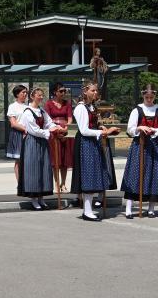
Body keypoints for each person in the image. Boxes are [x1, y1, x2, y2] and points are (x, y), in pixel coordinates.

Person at [71, 81, 119, 221]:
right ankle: (87, 211)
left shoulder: (91, 107)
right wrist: (104, 132)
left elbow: (94, 124)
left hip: (93, 143)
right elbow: (84, 130)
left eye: (96, 90)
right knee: (88, 175)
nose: (95, 93)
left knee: (93, 175)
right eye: (92, 90)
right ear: (85, 92)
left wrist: (103, 128)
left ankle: (89, 209)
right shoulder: (81, 108)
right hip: (85, 143)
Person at [18, 88, 65, 210]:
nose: (41, 97)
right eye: (39, 95)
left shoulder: (42, 110)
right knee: (33, 169)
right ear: (32, 96)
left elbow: (49, 123)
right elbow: (33, 130)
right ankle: (34, 199)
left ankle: (41, 198)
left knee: (43, 168)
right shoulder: (28, 111)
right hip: (32, 142)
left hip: (42, 142)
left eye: (42, 95)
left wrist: (57, 127)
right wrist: (48, 132)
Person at [120, 84, 158, 218]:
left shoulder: (157, 109)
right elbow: (130, 129)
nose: (149, 99)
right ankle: (129, 208)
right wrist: (139, 128)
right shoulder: (137, 110)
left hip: (155, 146)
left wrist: (154, 130)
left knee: (154, 175)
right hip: (139, 146)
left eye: (151, 97)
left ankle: (151, 208)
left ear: (154, 96)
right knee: (135, 174)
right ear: (143, 95)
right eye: (146, 97)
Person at [44, 82, 74, 193]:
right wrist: (56, 128)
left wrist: (66, 128)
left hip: (65, 132)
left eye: (64, 91)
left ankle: (63, 183)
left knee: (65, 159)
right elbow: (47, 119)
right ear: (55, 92)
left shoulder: (68, 103)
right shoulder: (48, 104)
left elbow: (70, 118)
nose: (63, 93)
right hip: (54, 132)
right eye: (61, 91)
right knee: (55, 159)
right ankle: (56, 184)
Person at [6, 85, 28, 181]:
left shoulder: (28, 106)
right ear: (17, 94)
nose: (25, 94)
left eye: (26, 92)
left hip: (28, 134)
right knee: (18, 160)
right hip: (18, 134)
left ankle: (27, 181)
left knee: (28, 159)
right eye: (23, 92)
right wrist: (25, 129)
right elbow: (13, 123)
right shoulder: (12, 106)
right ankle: (19, 183)